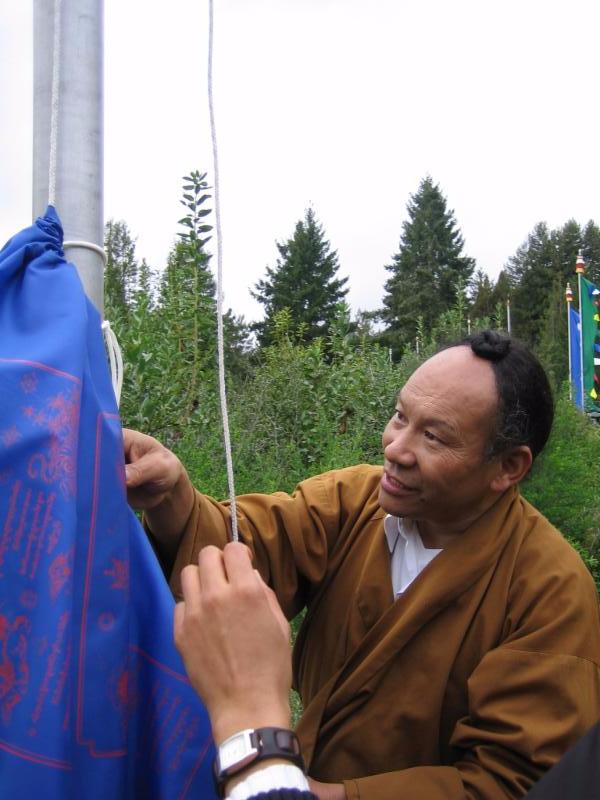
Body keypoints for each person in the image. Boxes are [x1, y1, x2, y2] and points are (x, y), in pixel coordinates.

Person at [125, 331, 600, 800]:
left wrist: (305, 790)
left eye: (433, 437)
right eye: (400, 417)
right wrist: (173, 501)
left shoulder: (551, 593)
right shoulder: (355, 502)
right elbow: (250, 548)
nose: (395, 447)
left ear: (508, 467)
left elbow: (511, 781)